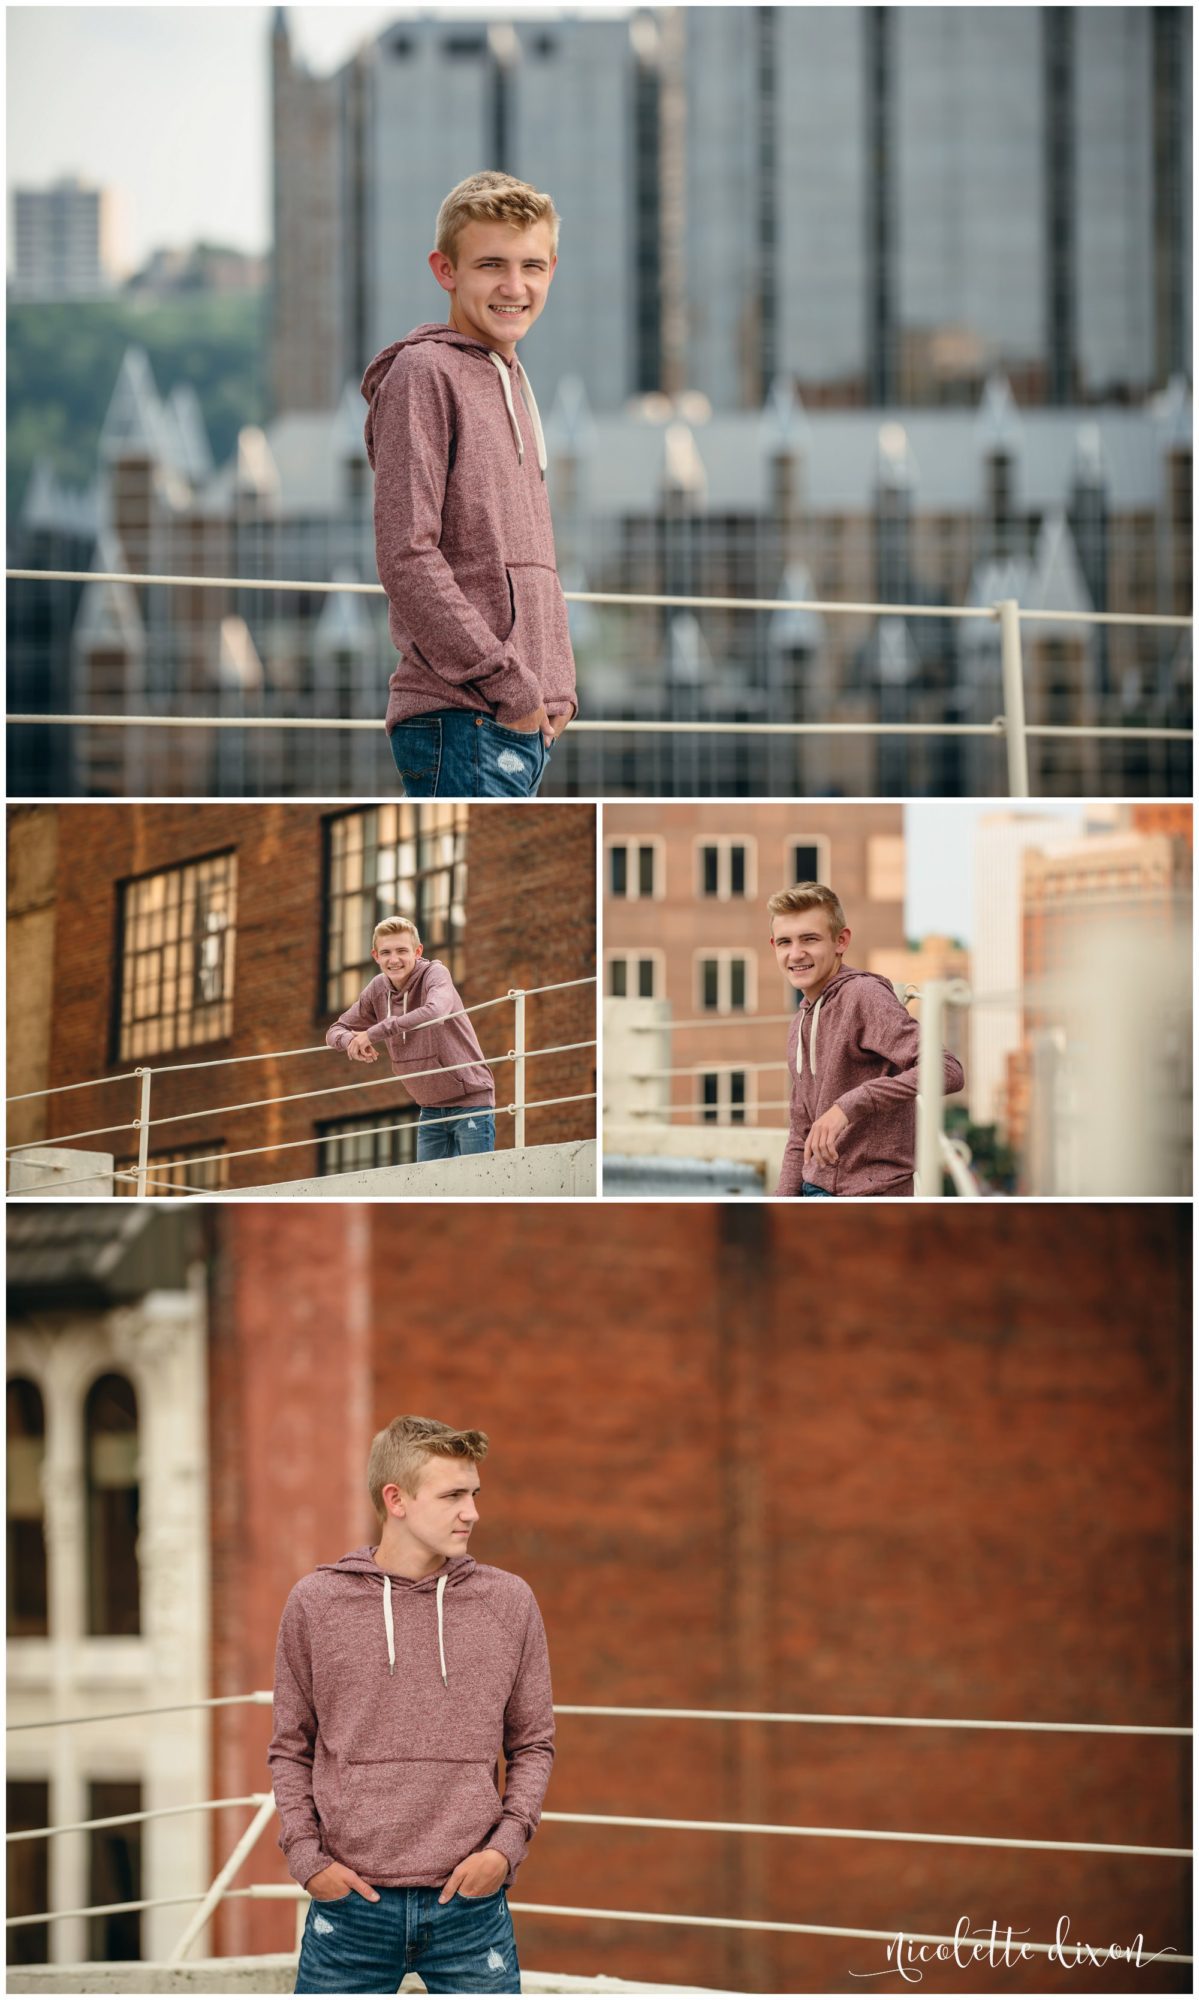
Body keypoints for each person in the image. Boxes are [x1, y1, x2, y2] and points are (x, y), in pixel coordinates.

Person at [269, 1415, 554, 1997]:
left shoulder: (508, 1602)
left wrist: (503, 1851)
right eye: (453, 1495)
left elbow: (532, 1743)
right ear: (395, 1499)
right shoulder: (317, 1603)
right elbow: (289, 1746)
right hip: (350, 1908)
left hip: (470, 1905)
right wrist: (308, 1861)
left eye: (474, 1494)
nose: (471, 1512)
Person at [362, 170, 577, 799]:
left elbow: (526, 560)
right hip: (463, 715)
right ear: (445, 270)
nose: (515, 287)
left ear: (552, 271)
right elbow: (407, 555)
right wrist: (511, 685)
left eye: (532, 266)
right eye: (491, 265)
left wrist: (555, 688)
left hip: (519, 723)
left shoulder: (510, 377)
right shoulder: (423, 374)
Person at [768, 883, 965, 1198]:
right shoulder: (800, 1021)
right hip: (813, 1190)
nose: (796, 953)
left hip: (871, 1195)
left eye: (810, 939)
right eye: (785, 942)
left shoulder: (864, 996)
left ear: (841, 941)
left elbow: (948, 1069)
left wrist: (847, 1106)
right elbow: (799, 1134)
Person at [326, 917, 496, 1163]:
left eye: (402, 951)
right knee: (428, 1194)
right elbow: (334, 1030)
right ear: (375, 956)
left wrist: (372, 1033)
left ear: (418, 951)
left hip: (471, 1102)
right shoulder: (377, 989)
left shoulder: (434, 974)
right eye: (386, 952)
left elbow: (435, 1011)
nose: (393, 960)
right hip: (429, 1108)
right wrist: (349, 1041)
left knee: (477, 1187)